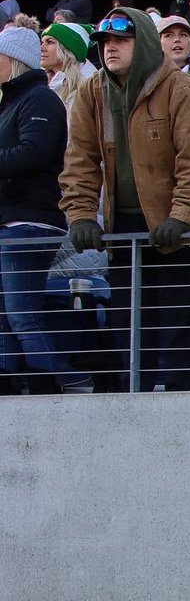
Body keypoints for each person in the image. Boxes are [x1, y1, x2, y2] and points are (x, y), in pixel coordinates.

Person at [60, 7, 190, 391]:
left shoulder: (179, 88)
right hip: (124, 232)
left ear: (145, 44)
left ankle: (183, 405)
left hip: (176, 231)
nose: (110, 48)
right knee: (129, 328)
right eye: (105, 41)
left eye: (121, 40)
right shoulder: (91, 92)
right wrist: (81, 215)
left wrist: (182, 216)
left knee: (178, 328)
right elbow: (79, 160)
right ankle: (134, 408)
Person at [0, 26, 75, 394]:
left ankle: (50, 391)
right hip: (11, 221)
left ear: (14, 60)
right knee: (6, 317)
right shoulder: (11, 102)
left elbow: (34, 153)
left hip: (29, 222)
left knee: (22, 315)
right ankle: (11, 388)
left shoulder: (40, 99)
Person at [39, 21, 96, 119]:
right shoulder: (41, 81)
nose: (41, 48)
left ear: (68, 49)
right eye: (42, 42)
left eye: (50, 42)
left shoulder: (89, 84)